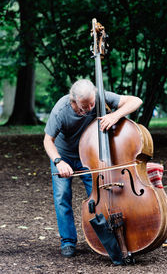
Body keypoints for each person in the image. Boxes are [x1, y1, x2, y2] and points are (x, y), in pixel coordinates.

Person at [43, 79, 142, 258]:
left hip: (89, 156)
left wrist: (115, 115)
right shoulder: (60, 110)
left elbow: (136, 101)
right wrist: (58, 161)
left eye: (92, 104)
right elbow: (47, 140)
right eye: (84, 106)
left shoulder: (97, 97)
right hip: (63, 155)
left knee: (100, 195)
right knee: (62, 197)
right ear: (73, 101)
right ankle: (68, 241)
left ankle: (107, 238)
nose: (90, 108)